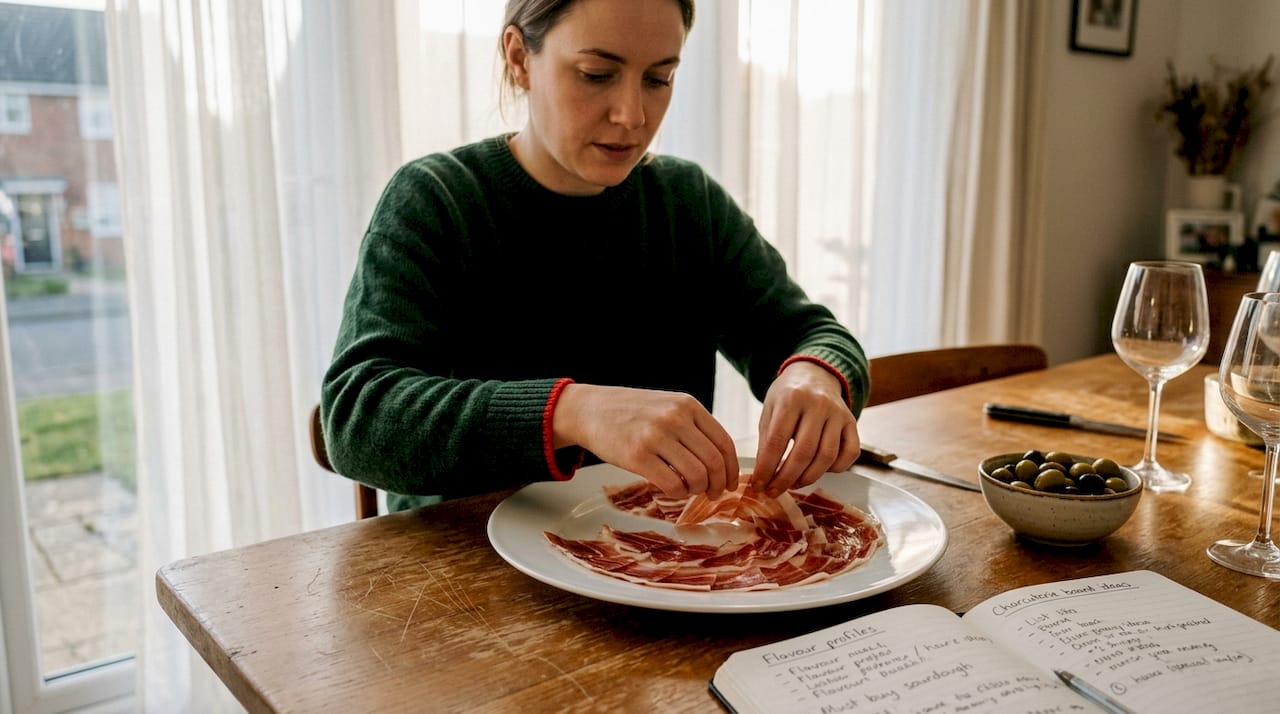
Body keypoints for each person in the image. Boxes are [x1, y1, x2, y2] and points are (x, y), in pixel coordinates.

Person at [321, 0, 869, 513]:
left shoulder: (687, 202)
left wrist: (814, 375)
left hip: (662, 564)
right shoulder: (435, 199)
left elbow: (813, 334)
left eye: (659, 78)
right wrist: (571, 413)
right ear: (519, 58)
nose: (632, 115)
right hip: (467, 577)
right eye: (596, 74)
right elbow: (355, 418)